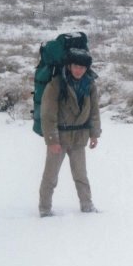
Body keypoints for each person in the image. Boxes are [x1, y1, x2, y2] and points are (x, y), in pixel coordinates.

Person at [38, 48, 101, 217]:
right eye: (75, 66)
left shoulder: (90, 84)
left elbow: (94, 111)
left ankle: (87, 206)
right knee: (50, 176)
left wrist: (95, 134)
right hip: (60, 137)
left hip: (80, 138)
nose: (78, 70)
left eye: (82, 67)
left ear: (86, 68)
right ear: (69, 66)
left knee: (81, 176)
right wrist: (52, 140)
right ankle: (44, 209)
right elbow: (47, 114)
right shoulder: (56, 84)